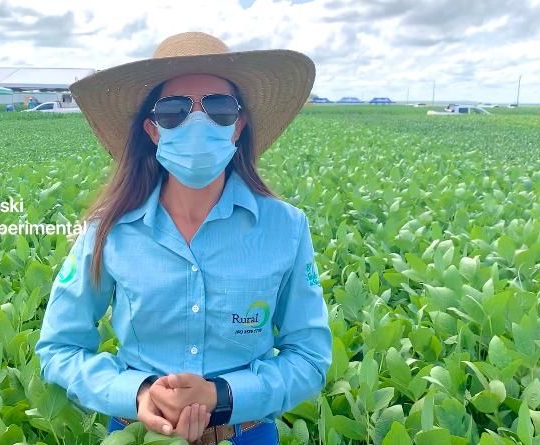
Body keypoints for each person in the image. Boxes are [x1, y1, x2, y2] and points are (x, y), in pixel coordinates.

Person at [35, 31, 332, 445]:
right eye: (173, 110)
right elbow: (59, 348)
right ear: (153, 129)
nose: (197, 122)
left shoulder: (286, 227)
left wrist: (222, 396)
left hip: (246, 433)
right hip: (136, 434)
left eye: (219, 107)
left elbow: (310, 357)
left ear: (238, 125)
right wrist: (138, 393)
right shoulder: (107, 230)